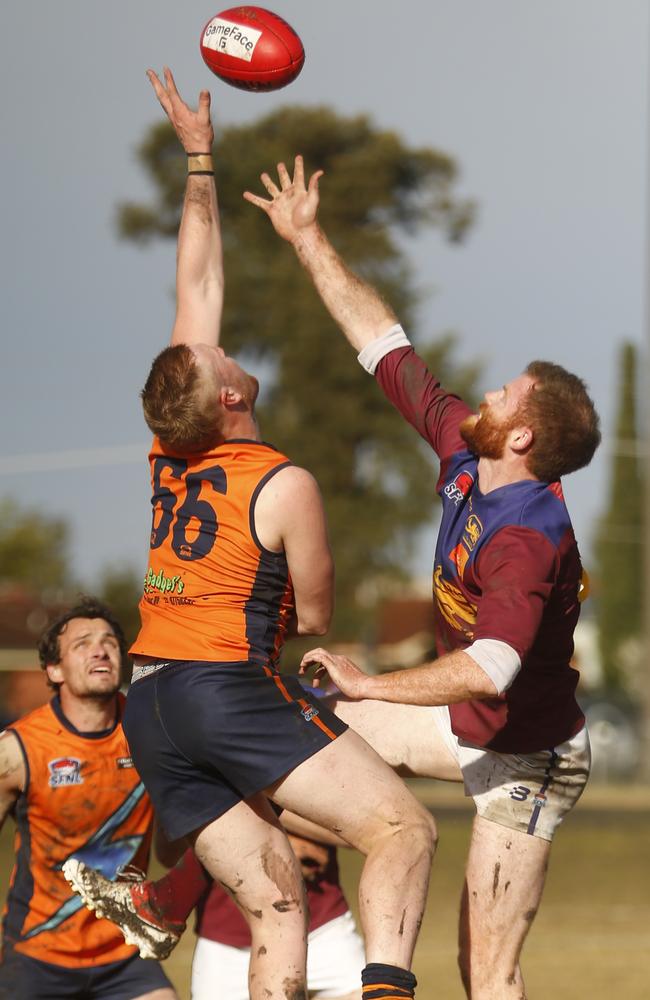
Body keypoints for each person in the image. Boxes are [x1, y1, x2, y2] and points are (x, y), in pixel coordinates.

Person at [65, 70, 435, 1000]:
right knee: (403, 831)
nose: (220, 342)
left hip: (151, 702)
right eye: (221, 355)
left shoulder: (169, 444)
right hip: (226, 690)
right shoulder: (283, 480)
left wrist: (201, 156)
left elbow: (196, 275)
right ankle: (388, 985)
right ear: (229, 395)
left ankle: (159, 897)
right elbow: (311, 613)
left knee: (275, 904)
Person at [240, 156, 601, 1000]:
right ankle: (341, 921)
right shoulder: (465, 455)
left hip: (528, 756)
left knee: (486, 969)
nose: (486, 388)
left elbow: (493, 667)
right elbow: (383, 346)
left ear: (522, 438)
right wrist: (307, 239)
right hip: (466, 726)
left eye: (506, 393)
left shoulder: (528, 538)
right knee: (280, 747)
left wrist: (376, 681)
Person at [0, 597, 177, 1000]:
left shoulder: (153, 732)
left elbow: (174, 846)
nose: (100, 649)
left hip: (124, 953)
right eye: (82, 643)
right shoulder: (19, 749)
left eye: (110, 642)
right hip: (37, 952)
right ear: (54, 669)